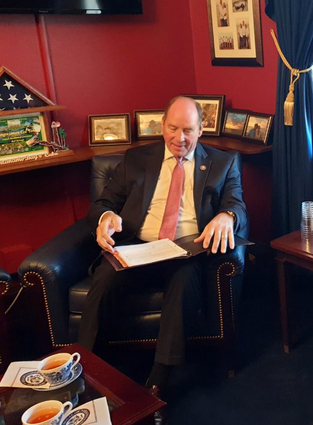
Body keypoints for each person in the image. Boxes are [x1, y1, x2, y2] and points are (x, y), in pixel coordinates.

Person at [78, 96, 246, 395]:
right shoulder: (136, 160)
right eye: (172, 128)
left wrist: (227, 215)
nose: (179, 138)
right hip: (138, 247)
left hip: (186, 253)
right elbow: (103, 203)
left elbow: (236, 202)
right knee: (104, 278)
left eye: (188, 130)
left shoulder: (223, 162)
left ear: (201, 130)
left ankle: (158, 381)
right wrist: (105, 217)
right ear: (162, 125)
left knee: (183, 281)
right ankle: (86, 369)